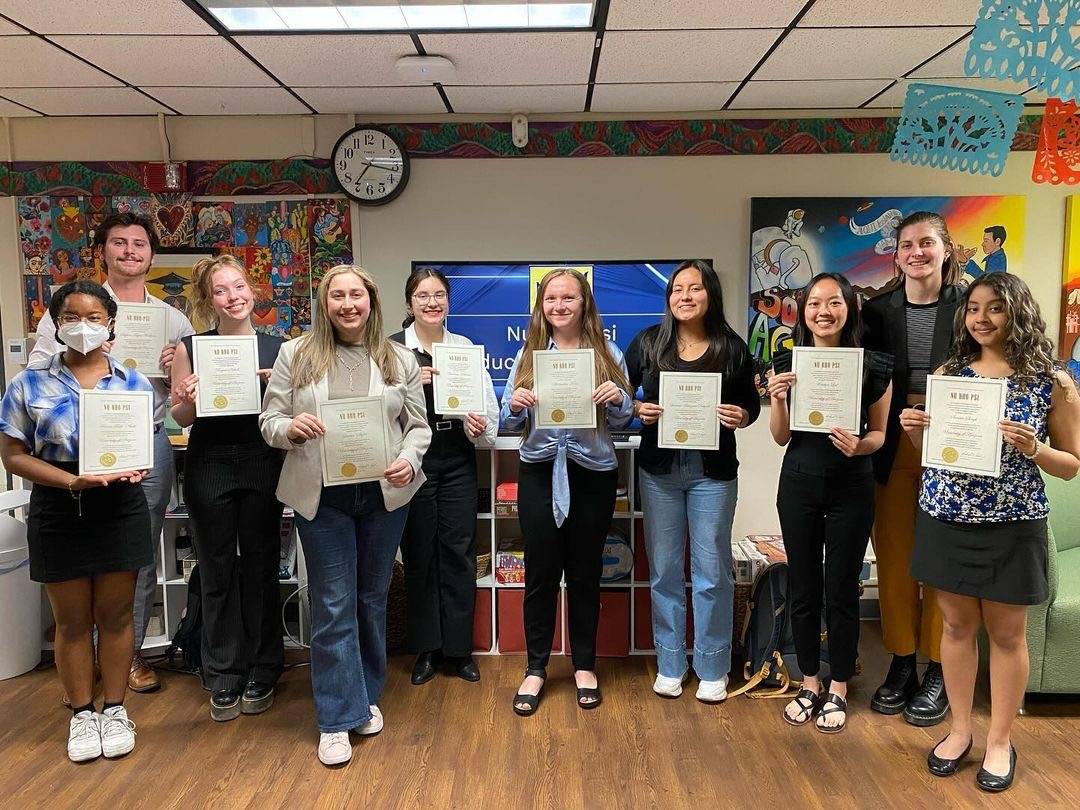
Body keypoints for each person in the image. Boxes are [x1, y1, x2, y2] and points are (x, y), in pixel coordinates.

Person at [901, 273, 1079, 792]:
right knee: (956, 629)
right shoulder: (949, 373)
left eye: (995, 308)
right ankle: (960, 730)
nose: (981, 318)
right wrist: (915, 435)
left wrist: (1034, 448)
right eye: (973, 308)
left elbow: (1071, 465)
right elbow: (934, 457)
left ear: (1018, 312)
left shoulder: (1051, 381)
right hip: (946, 517)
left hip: (1013, 524)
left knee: (1006, 635)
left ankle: (1000, 741)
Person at [259, 264, 430, 766]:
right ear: (324, 302)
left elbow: (418, 426)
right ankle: (335, 718)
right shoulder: (296, 354)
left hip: (383, 495)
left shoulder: (399, 358)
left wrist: (410, 458)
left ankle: (364, 695)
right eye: (338, 296)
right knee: (334, 602)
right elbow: (269, 420)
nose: (348, 304)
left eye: (357, 295)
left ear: (371, 301)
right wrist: (290, 427)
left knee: (371, 599)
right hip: (323, 497)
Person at [29, 213, 195, 694]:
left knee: (136, 553)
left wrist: (174, 366)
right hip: (76, 447)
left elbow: (183, 394)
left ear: (151, 255)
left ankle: (129, 655)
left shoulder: (172, 318)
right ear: (102, 250)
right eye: (119, 243)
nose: (129, 251)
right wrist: (87, 353)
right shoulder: (72, 309)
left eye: (139, 244)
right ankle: (85, 661)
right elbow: (37, 371)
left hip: (145, 442)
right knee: (81, 557)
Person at [0, 281, 153, 762]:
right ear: (56, 323)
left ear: (110, 324)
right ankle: (82, 714)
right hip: (58, 502)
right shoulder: (27, 384)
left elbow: (141, 448)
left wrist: (137, 466)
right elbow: (12, 456)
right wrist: (71, 482)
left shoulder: (133, 383)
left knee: (116, 615)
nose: (83, 326)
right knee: (70, 622)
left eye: (93, 317)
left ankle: (115, 709)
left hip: (119, 504)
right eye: (72, 316)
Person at [500, 268, 633, 716]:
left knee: (584, 573)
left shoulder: (608, 354)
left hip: (592, 473)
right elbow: (508, 421)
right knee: (540, 573)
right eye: (551, 299)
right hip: (540, 471)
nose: (559, 306)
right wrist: (515, 405)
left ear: (584, 303)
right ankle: (536, 668)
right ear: (542, 306)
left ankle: (584, 665)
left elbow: (624, 420)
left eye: (568, 298)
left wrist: (618, 399)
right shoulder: (529, 354)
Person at [625, 260, 760, 701]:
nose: (685, 296)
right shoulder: (648, 343)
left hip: (712, 474)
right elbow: (620, 395)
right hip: (659, 472)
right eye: (677, 289)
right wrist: (636, 410)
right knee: (664, 570)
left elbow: (750, 405)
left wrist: (741, 415)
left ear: (710, 294)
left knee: (712, 573)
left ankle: (713, 666)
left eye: (695, 288)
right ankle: (670, 663)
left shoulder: (732, 348)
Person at [768, 272, 893, 733]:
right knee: (803, 587)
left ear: (850, 308)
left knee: (841, 588)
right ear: (803, 312)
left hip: (851, 486)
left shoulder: (874, 366)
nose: (824, 311)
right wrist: (778, 400)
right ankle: (809, 681)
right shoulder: (787, 361)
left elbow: (880, 435)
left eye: (834, 302)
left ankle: (839, 683)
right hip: (798, 483)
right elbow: (781, 436)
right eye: (815, 303)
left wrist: (860, 446)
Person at [168, 255, 286, 722]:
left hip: (262, 458)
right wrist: (187, 399)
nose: (233, 297)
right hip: (209, 460)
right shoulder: (191, 347)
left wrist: (276, 387)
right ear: (208, 299)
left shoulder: (278, 347)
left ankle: (264, 667)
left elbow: (293, 408)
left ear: (252, 290)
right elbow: (181, 417)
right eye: (221, 290)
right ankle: (222, 672)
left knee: (261, 564)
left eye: (239, 286)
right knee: (215, 566)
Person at [862, 211, 962, 726]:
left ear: (946, 250)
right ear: (896, 255)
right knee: (896, 556)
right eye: (907, 245)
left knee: (943, 558)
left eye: (926, 243)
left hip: (957, 443)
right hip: (894, 441)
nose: (916, 252)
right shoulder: (877, 311)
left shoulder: (971, 305)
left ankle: (941, 667)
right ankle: (902, 661)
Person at [389, 268, 499, 686]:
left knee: (458, 552)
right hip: (412, 459)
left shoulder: (463, 348)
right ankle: (427, 649)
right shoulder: (392, 351)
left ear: (449, 301)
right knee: (419, 553)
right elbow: (376, 408)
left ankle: (458, 650)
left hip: (456, 456)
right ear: (409, 303)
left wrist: (479, 425)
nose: (431, 303)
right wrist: (409, 384)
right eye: (422, 295)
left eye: (439, 295)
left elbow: (486, 413)